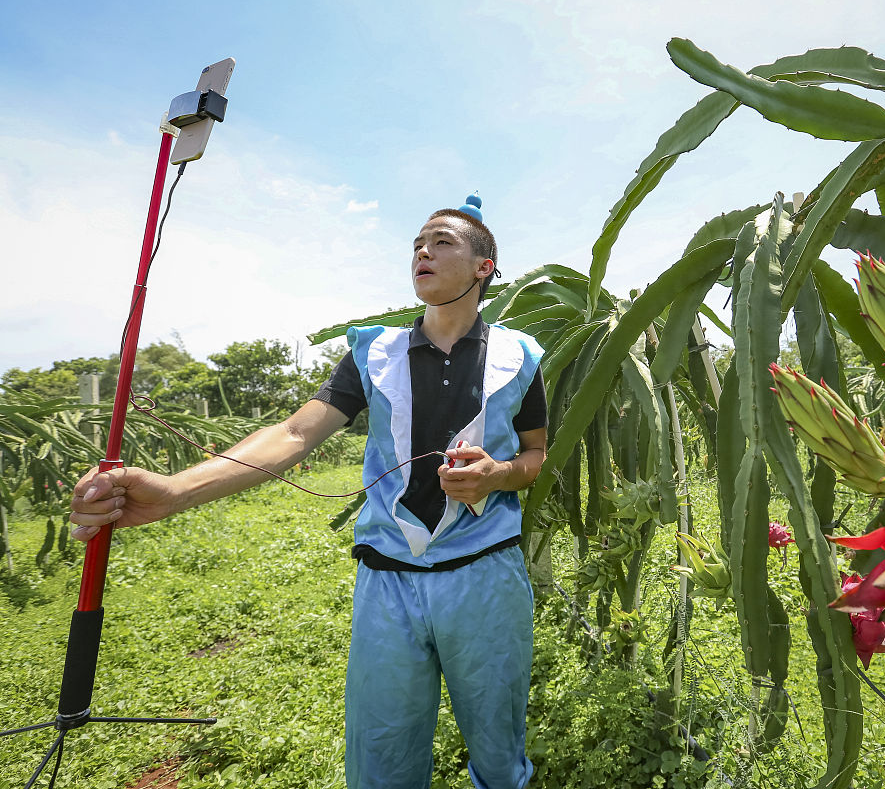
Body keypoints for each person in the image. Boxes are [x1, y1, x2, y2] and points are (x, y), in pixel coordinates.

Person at [69, 196, 546, 789]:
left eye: (443, 241)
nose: (423, 250)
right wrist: (173, 492)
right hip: (388, 577)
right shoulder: (373, 354)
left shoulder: (518, 357)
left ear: (484, 266)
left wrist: (497, 475)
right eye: (417, 244)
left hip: (485, 574)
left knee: (500, 756)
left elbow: (535, 454)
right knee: (383, 758)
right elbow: (294, 433)